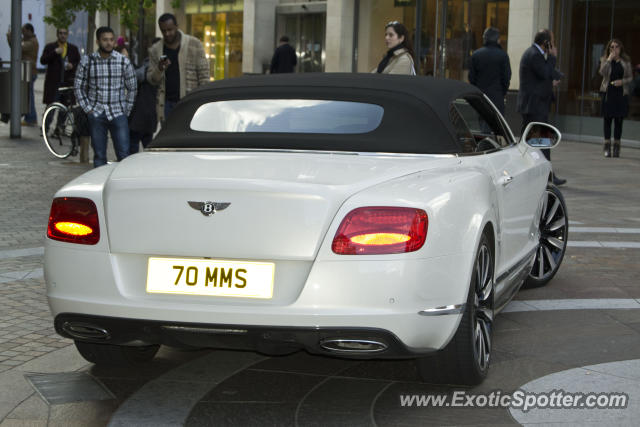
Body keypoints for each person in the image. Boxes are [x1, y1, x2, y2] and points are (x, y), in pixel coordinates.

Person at [74, 26, 137, 168]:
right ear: (98, 42)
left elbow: (132, 87)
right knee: (99, 156)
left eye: (111, 39)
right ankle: (100, 187)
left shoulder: (123, 61)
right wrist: (88, 109)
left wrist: (126, 110)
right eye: (105, 40)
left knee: (124, 155)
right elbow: (78, 87)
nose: (109, 43)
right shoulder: (87, 61)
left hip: (118, 113)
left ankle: (122, 187)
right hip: (97, 113)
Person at [517, 29, 565, 186]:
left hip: (535, 105)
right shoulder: (535, 55)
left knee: (533, 142)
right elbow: (544, 72)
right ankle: (547, 175)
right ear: (546, 43)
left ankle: (545, 174)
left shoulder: (535, 54)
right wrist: (552, 57)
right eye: (552, 41)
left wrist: (554, 77)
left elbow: (542, 76)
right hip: (535, 106)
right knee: (542, 141)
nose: (553, 45)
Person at [147, 13, 209, 124]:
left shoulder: (194, 44)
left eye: (170, 29)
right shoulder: (155, 50)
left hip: (189, 101)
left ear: (177, 26)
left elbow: (204, 76)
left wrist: (201, 102)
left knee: (188, 138)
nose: (167, 34)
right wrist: (159, 69)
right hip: (166, 104)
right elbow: (152, 80)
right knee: (169, 139)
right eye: (163, 31)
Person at [40, 28, 81, 130]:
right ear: (57, 34)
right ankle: (45, 128)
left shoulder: (73, 48)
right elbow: (43, 60)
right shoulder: (51, 47)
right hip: (54, 83)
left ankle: (59, 129)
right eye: (61, 33)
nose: (63, 35)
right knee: (51, 106)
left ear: (67, 35)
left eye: (65, 33)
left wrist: (73, 65)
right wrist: (54, 52)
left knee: (65, 107)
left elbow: (79, 63)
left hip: (67, 83)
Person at [598, 38, 632, 158]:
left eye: (616, 47)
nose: (614, 49)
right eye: (611, 47)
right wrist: (608, 60)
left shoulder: (625, 62)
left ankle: (617, 146)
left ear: (620, 48)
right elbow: (602, 72)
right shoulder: (605, 59)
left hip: (621, 93)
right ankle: (607, 146)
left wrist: (622, 82)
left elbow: (630, 78)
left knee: (618, 121)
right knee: (607, 120)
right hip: (608, 93)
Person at [469, 27, 511, 114]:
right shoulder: (503, 56)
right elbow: (506, 77)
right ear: (498, 40)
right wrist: (502, 92)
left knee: (481, 123)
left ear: (485, 39)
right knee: (497, 125)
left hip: (480, 97)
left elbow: (471, 78)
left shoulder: (476, 55)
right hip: (497, 97)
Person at [129, 38, 160, 154]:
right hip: (147, 114)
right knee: (147, 147)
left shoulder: (149, 65)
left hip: (142, 113)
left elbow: (137, 76)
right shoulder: (149, 63)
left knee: (135, 146)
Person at [5, 24, 39, 126]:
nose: (22, 33)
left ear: (29, 31)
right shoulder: (29, 41)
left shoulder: (31, 42)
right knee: (27, 95)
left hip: (29, 72)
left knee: (29, 96)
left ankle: (31, 118)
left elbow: (17, 47)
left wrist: (10, 37)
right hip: (26, 71)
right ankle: (28, 116)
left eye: (23, 31)